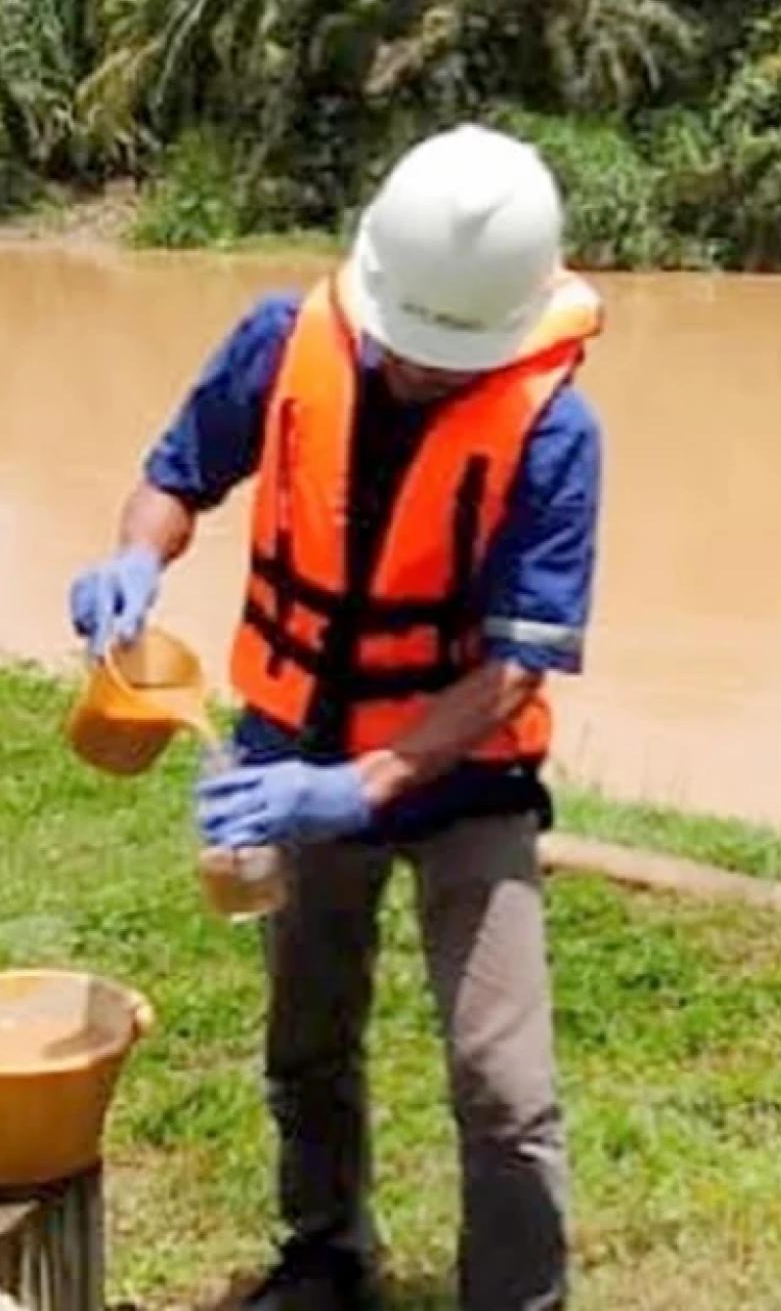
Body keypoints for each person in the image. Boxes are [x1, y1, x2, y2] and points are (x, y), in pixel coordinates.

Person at [68, 124, 604, 1311]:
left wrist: (362, 785)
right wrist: (134, 562)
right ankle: (325, 1255)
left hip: (468, 784)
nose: (417, 369)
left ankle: (519, 1298)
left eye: (447, 358)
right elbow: (173, 477)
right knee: (307, 1041)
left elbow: (517, 669)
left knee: (503, 1083)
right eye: (404, 343)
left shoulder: (556, 431)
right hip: (292, 746)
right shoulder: (282, 341)